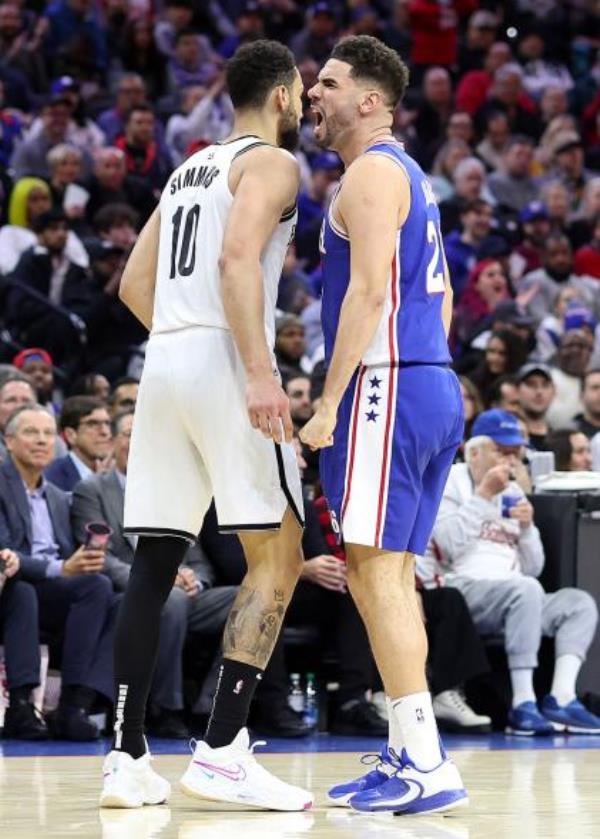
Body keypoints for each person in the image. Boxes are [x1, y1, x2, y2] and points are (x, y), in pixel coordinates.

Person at [99, 40, 312, 811]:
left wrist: (182, 346)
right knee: (279, 552)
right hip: (226, 356)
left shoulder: (188, 167)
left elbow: (131, 283)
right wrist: (256, 370)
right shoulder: (275, 165)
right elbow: (236, 261)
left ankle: (124, 759)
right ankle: (222, 746)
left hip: (163, 363)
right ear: (285, 95)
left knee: (154, 562)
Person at [300, 35, 467, 815]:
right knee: (389, 572)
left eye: (328, 84)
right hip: (430, 383)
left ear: (370, 101)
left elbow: (368, 297)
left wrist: (330, 402)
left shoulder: (368, 173)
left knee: (373, 570)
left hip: (385, 387)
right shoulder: (414, 178)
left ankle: (427, 760)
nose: (313, 95)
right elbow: (442, 302)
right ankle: (410, 749)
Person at [71, 410, 238, 739]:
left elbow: (200, 559)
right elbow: (97, 556)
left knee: (245, 600)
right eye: (132, 434)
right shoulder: (91, 489)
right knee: (168, 598)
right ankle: (167, 708)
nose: (140, 442)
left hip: (186, 594)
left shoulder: (176, 489)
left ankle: (213, 705)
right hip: (133, 592)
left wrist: (194, 577)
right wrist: (157, 578)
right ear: (115, 442)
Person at [432, 410, 600, 735]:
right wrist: (483, 497)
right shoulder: (450, 482)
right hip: (462, 591)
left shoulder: (512, 491)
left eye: (515, 453)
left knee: (578, 604)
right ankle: (523, 703)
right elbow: (444, 546)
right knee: (525, 590)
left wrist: (526, 530)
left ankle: (561, 698)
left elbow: (534, 567)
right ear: (474, 451)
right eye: (502, 451)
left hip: (516, 595)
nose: (510, 460)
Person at [0, 404, 120, 741]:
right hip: (13, 589)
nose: (41, 441)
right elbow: (6, 553)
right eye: (31, 432)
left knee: (120, 600)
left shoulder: (57, 496)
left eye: (48, 433)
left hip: (55, 593)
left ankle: (78, 704)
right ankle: (21, 707)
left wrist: (83, 559)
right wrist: (63, 568)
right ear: (9, 442)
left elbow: (69, 555)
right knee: (26, 588)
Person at [44, 396, 113, 492]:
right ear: (70, 435)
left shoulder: (116, 474)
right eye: (92, 424)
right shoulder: (51, 479)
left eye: (107, 423)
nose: (105, 432)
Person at [516, 363, 556, 451]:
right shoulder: (506, 434)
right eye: (531, 384)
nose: (539, 392)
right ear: (517, 391)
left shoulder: (558, 440)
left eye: (545, 385)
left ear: (554, 392)